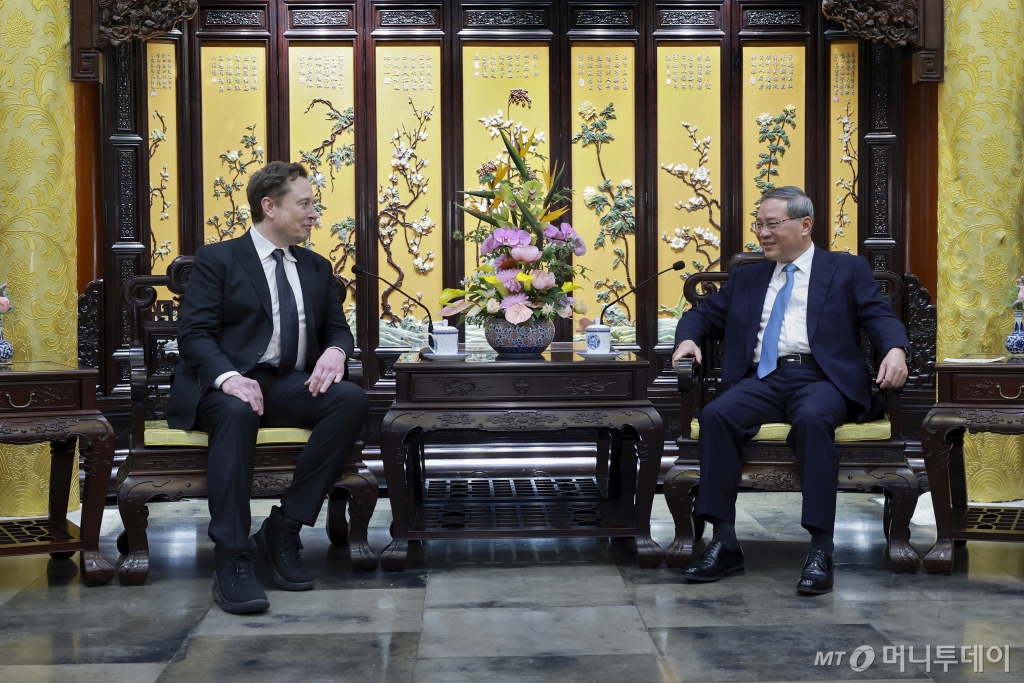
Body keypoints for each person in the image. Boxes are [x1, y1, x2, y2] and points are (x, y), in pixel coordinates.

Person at [671, 186, 910, 595]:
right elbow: (703, 315)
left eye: (772, 224)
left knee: (814, 419)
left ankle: (820, 547)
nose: (763, 233)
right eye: (759, 224)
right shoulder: (748, 277)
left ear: (804, 225)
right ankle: (724, 541)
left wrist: (896, 350)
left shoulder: (845, 269)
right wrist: (688, 339)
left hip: (820, 378)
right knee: (716, 416)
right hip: (762, 379)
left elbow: (878, 315)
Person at [167, 161, 369, 614]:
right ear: (269, 206)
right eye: (305, 203)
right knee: (238, 412)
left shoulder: (316, 267)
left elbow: (338, 330)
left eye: (313, 204)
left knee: (350, 399)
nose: (314, 213)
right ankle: (233, 557)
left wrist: (337, 352)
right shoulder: (218, 259)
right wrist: (230, 378)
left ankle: (285, 527)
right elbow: (194, 334)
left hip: (285, 385)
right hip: (225, 386)